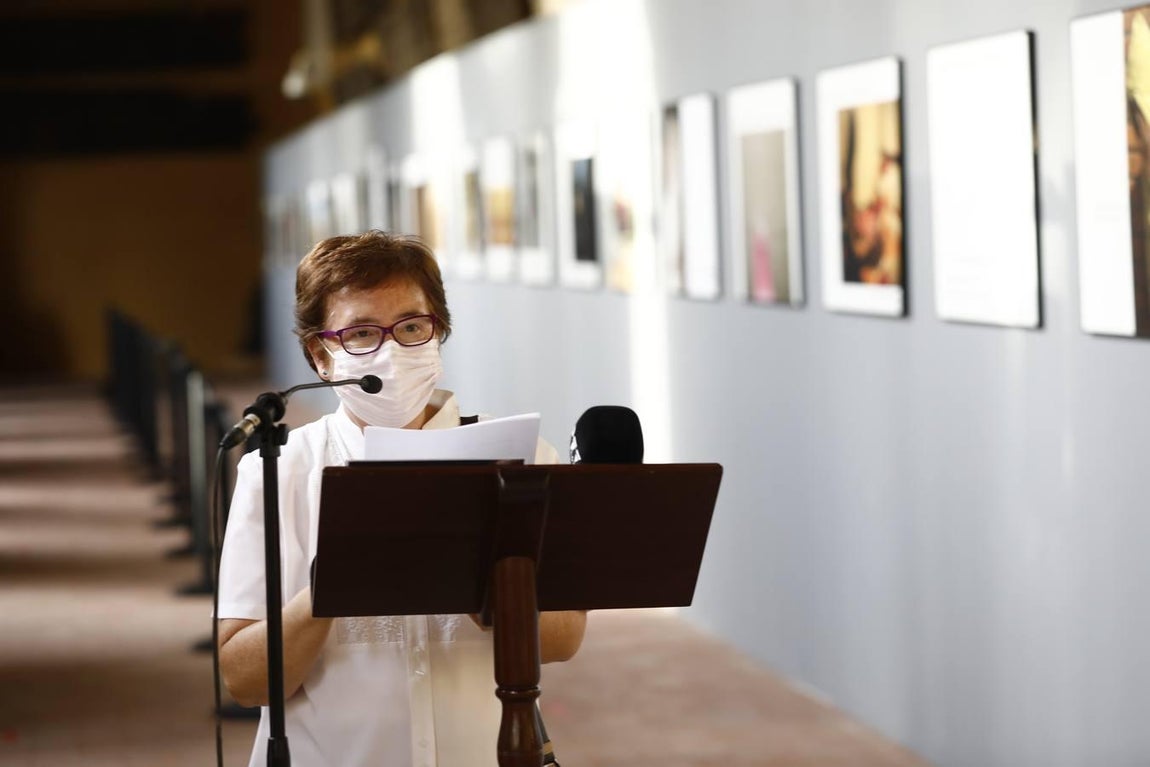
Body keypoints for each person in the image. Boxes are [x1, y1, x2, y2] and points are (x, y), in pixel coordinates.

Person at [216, 230, 587, 767]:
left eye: (412, 326)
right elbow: (245, 681)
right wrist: (332, 582)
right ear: (322, 355)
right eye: (362, 333)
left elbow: (561, 639)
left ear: (439, 331)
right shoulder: (278, 470)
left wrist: (472, 575)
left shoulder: (525, 457)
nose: (391, 350)